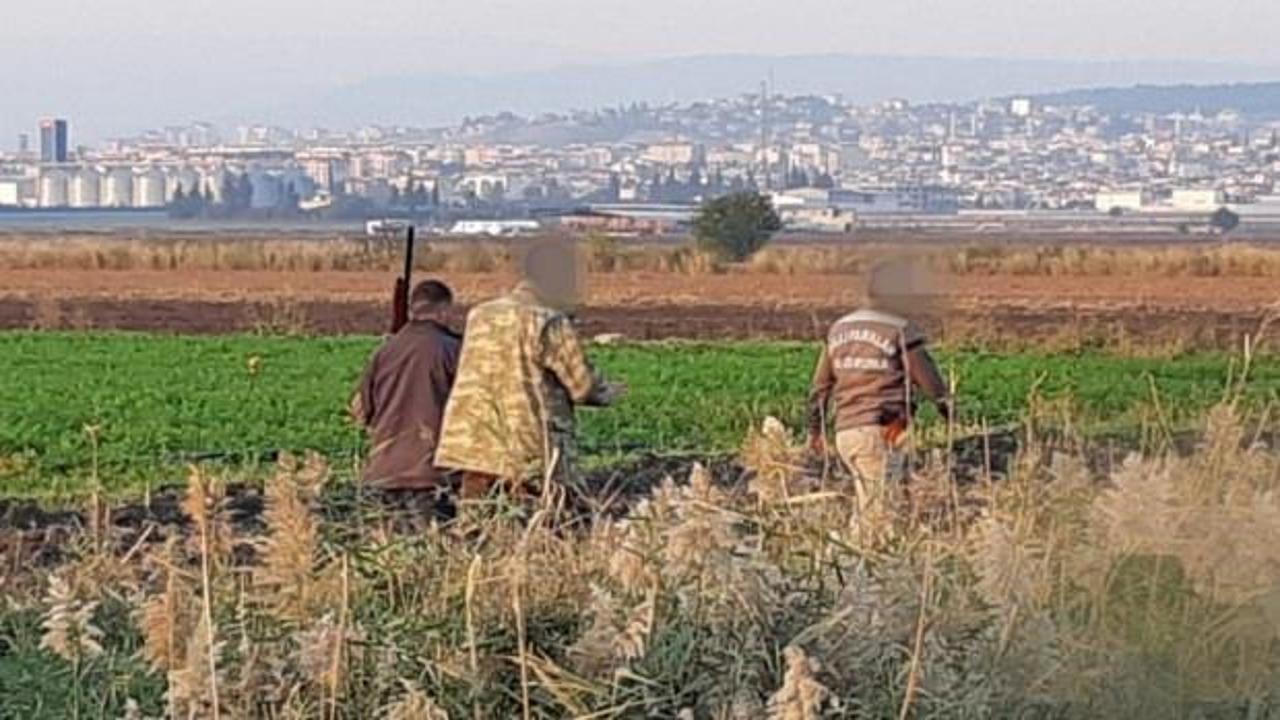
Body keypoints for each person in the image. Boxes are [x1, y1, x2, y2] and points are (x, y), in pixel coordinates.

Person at [434, 238, 625, 499]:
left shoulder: (480, 315)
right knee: (547, 526)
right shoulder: (547, 320)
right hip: (525, 448)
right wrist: (608, 392)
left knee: (478, 528)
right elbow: (582, 387)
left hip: (472, 446)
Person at [808, 261, 951, 515]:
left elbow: (820, 388)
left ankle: (855, 549)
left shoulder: (839, 329)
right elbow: (929, 380)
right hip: (882, 429)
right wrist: (948, 411)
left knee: (869, 504)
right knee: (879, 512)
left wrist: (816, 431)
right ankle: (864, 551)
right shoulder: (900, 329)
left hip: (846, 432)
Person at [352, 280, 461, 493]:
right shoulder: (453, 350)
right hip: (431, 476)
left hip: (383, 473)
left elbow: (361, 412)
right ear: (444, 311)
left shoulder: (383, 353)